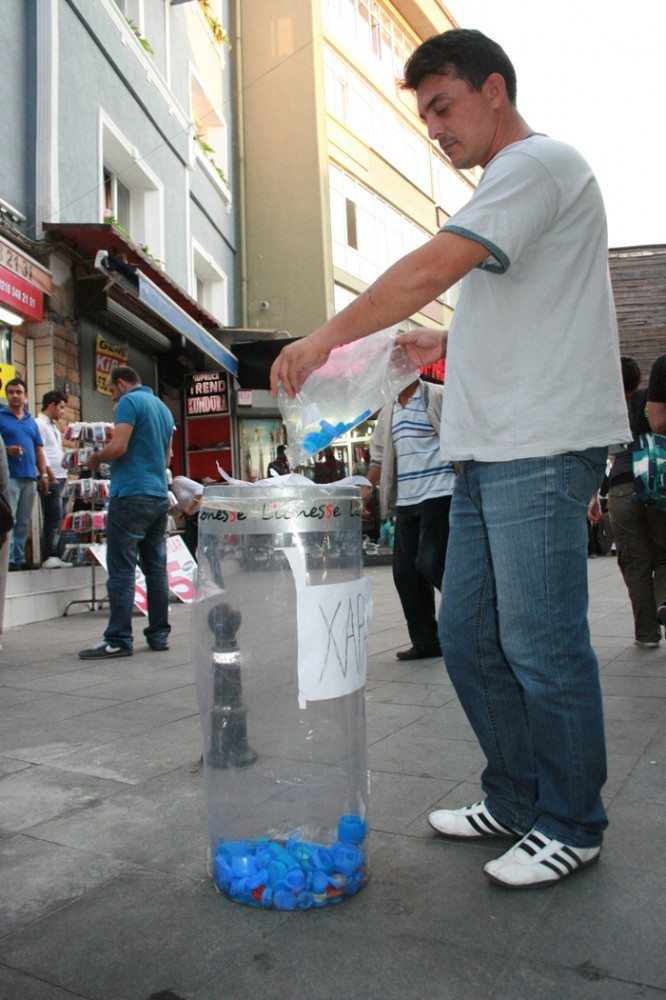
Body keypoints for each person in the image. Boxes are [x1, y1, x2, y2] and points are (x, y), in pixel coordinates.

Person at [270, 29, 630, 889]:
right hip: (490, 451)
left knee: (541, 646)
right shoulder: (519, 186)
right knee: (468, 635)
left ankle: (572, 820)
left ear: (493, 90)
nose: (436, 128)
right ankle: (514, 797)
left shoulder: (533, 165)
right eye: (425, 113)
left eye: (444, 107)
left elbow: (432, 265)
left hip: (538, 447)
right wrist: (446, 338)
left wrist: (326, 336)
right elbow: (517, 311)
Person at [78, 365, 174, 659]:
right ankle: (158, 634)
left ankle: (118, 639)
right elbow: (168, 455)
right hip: (158, 495)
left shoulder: (129, 402)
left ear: (121, 384)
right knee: (155, 568)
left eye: (110, 389)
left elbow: (119, 446)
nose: (111, 397)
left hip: (130, 494)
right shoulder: (163, 408)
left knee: (121, 568)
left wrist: (95, 458)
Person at [368, 378, 453, 660]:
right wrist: (366, 487)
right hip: (405, 499)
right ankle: (427, 641)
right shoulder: (389, 410)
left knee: (431, 562)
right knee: (405, 573)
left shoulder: (438, 396)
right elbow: (378, 456)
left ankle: (479, 615)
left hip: (441, 494)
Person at [589, 357, 666, 647]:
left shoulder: (608, 412)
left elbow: (596, 458)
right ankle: (664, 599)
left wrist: (593, 496)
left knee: (634, 561)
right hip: (655, 479)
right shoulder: (651, 399)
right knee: (664, 549)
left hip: (620, 486)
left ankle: (646, 634)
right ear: (637, 380)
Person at [0, 378, 49, 570]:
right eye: (11, 392)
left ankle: (19, 558)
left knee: (23, 521)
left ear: (26, 396)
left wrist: (43, 475)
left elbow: (38, 449)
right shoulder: (1, 416)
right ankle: (8, 560)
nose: (15, 396)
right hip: (9, 477)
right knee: (8, 520)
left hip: (30, 476)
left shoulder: (30, 421)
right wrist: (6, 450)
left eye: (19, 392)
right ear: (6, 395)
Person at [36, 390, 71, 569]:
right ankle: (50, 554)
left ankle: (57, 553)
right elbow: (40, 451)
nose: (63, 412)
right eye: (62, 407)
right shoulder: (39, 424)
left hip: (61, 476)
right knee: (53, 516)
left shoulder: (54, 427)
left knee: (61, 517)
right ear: (52, 405)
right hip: (52, 478)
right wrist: (48, 474)